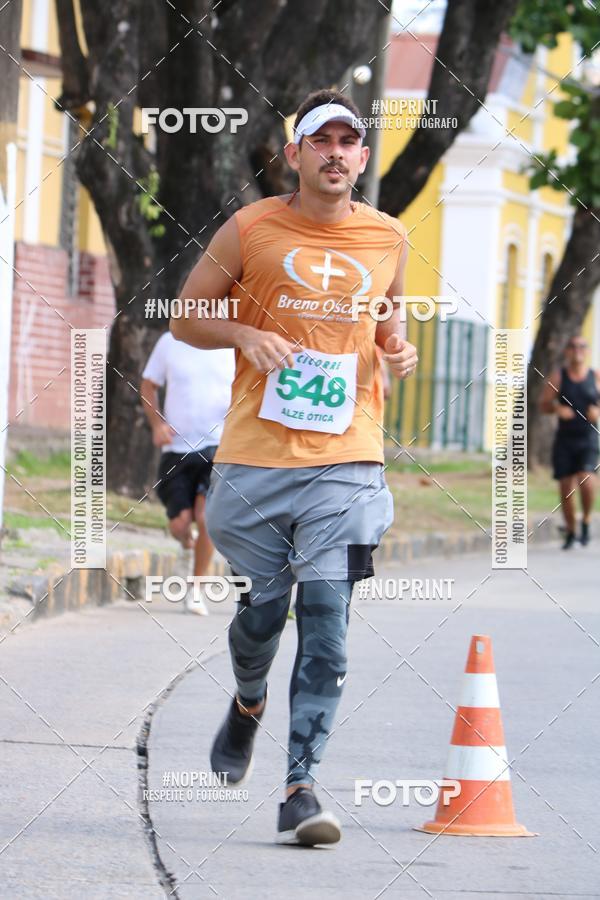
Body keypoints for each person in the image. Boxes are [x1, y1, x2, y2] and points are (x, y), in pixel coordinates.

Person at [171, 88, 418, 844]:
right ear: (296, 153)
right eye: (322, 140)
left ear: (363, 157)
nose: (336, 152)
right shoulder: (251, 228)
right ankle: (248, 702)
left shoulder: (388, 237)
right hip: (256, 456)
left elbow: (389, 318)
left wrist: (398, 350)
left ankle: (301, 786)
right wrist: (245, 336)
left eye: (349, 140)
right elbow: (187, 316)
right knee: (262, 615)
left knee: (328, 620)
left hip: (347, 456)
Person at [141, 331, 235, 612]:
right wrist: (157, 424)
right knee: (179, 524)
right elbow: (147, 386)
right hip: (176, 449)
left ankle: (196, 588)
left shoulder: (231, 343)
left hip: (218, 445)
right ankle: (186, 543)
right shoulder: (170, 342)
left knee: (205, 517)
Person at [540, 334, 600, 549]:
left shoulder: (595, 376)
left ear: (587, 351)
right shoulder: (559, 377)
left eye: (582, 346)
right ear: (567, 351)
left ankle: (585, 519)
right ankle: (571, 530)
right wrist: (557, 408)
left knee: (586, 479)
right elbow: (543, 404)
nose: (577, 350)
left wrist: (597, 412)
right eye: (573, 347)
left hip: (588, 438)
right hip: (565, 439)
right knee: (566, 488)